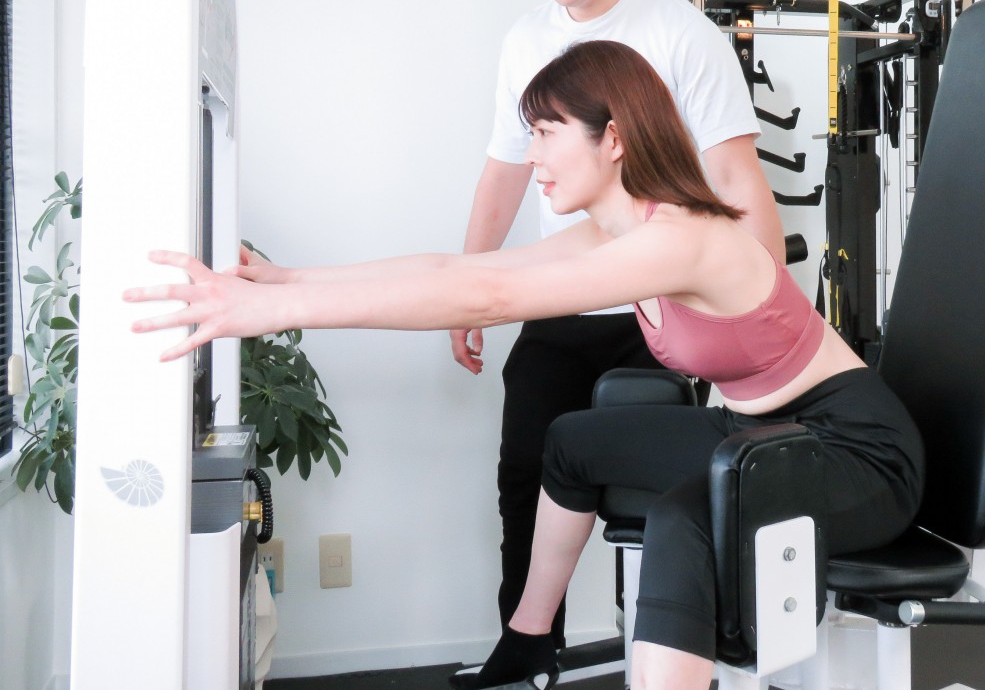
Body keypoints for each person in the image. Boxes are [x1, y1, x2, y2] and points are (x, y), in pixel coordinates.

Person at [126, 41, 924, 690]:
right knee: (571, 441)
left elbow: (489, 297)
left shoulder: (680, 238)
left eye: (546, 132)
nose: (532, 153)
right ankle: (530, 640)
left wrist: (273, 314)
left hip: (854, 449)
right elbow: (456, 269)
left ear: (613, 138)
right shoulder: (618, 230)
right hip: (759, 436)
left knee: (686, 519)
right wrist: (288, 281)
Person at [459, 0, 783, 649]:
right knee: (523, 477)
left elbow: (736, 178)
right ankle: (528, 651)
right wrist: (467, 290)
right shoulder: (525, 41)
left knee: (667, 493)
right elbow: (504, 172)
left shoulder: (680, 34)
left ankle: (675, 648)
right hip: (565, 300)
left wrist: (767, 313)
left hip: (663, 308)